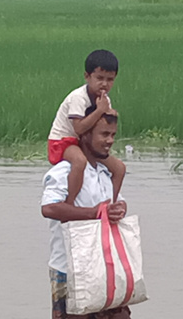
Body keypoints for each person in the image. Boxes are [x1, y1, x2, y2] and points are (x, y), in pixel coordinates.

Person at [40, 107, 136, 319]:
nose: (109, 141)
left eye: (113, 135)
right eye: (104, 134)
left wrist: (118, 209)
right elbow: (49, 209)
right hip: (67, 266)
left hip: (100, 263)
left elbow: (112, 205)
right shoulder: (63, 172)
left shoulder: (104, 173)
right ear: (84, 136)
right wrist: (93, 213)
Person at [47, 49, 126, 205]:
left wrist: (110, 114)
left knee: (119, 168)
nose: (104, 84)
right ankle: (70, 203)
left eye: (110, 80)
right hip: (63, 142)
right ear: (87, 76)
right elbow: (79, 129)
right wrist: (101, 111)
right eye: (99, 78)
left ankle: (110, 204)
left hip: (84, 143)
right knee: (79, 162)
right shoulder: (78, 97)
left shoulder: (104, 100)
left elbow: (104, 124)